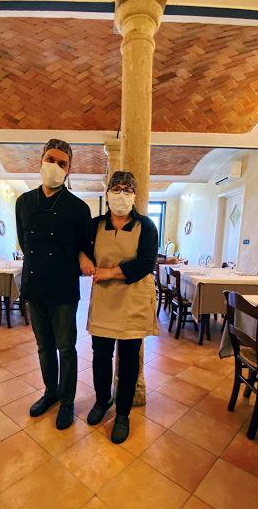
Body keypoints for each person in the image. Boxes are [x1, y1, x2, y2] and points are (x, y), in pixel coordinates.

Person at [15, 139, 94, 430]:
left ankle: (67, 401)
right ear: (41, 161)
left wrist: (81, 257)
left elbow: (85, 248)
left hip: (63, 289)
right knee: (44, 346)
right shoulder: (23, 202)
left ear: (69, 169)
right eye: (51, 159)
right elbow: (24, 242)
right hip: (34, 285)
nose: (55, 166)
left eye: (63, 163)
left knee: (66, 348)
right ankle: (50, 392)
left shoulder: (78, 208)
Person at [83, 171, 159, 443]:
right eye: (116, 188)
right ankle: (102, 400)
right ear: (107, 194)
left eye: (128, 189)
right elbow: (80, 247)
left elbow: (146, 263)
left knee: (128, 358)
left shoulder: (146, 226)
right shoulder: (95, 225)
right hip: (105, 300)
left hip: (133, 299)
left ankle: (123, 413)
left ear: (135, 196)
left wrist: (109, 272)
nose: (121, 194)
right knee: (101, 355)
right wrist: (83, 259)